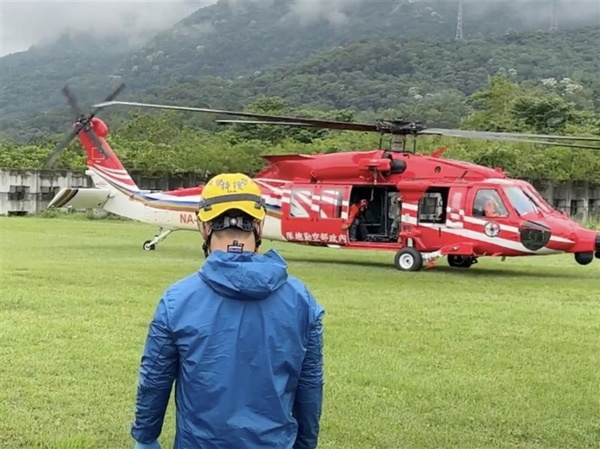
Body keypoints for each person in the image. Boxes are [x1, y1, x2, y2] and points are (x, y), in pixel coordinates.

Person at [131, 173, 325, 449]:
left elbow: (154, 380)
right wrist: (306, 443)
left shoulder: (177, 300)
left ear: (203, 227)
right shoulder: (301, 300)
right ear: (259, 224)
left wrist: (146, 436)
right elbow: (310, 387)